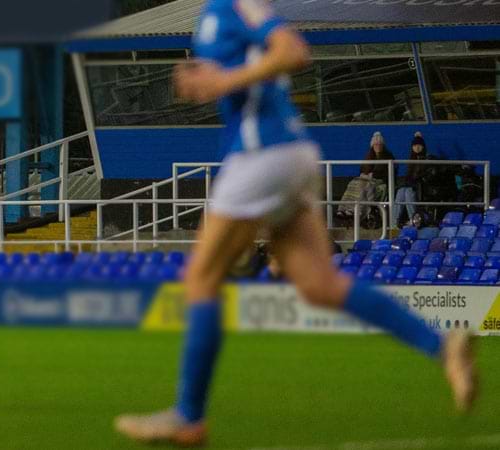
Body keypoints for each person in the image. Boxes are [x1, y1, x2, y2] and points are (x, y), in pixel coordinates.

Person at [113, 0, 477, 446]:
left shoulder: (239, 4)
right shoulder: (215, 13)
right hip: (288, 155)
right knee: (319, 285)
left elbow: (292, 51)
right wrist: (209, 80)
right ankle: (441, 346)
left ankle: (188, 416)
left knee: (201, 278)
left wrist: (222, 80)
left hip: (261, 154)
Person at [394, 132, 429, 227]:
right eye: (415, 145)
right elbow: (409, 176)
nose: (417, 147)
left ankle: (414, 219)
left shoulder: (426, 159)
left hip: (420, 186)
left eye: (419, 145)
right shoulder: (411, 160)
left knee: (408, 192)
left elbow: (423, 176)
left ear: (423, 147)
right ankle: (394, 222)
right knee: (401, 191)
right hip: (411, 185)